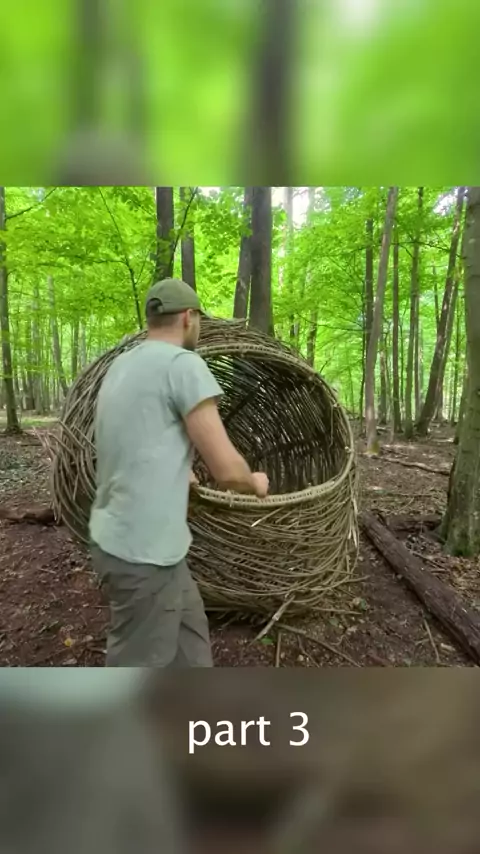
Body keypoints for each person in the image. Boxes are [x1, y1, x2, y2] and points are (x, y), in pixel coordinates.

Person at [89, 277, 269, 667]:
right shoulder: (183, 364)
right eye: (198, 319)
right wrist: (254, 482)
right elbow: (227, 471)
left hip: (127, 540)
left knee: (191, 646)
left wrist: (175, 473)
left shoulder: (122, 364)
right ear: (188, 317)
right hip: (144, 554)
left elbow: (130, 438)